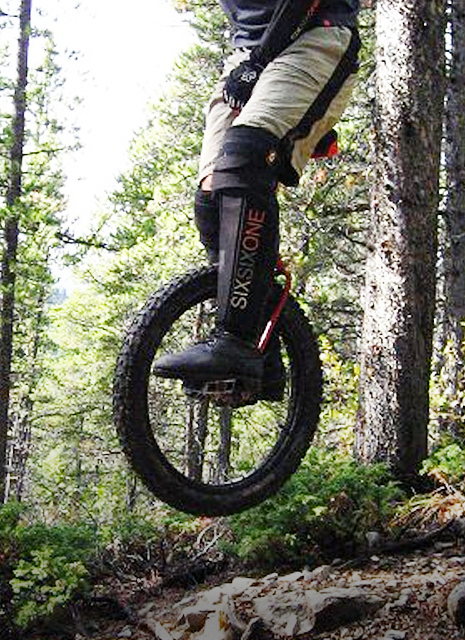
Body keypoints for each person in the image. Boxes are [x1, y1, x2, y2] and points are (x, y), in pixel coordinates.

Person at [153, 0, 361, 399]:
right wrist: (251, 62)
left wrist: (259, 64)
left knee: (246, 155)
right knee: (213, 195)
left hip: (315, 34)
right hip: (252, 56)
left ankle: (237, 340)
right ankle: (261, 359)